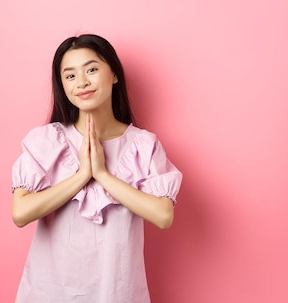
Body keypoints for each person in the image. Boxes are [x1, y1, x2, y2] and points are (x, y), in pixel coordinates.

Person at [11, 34, 182, 303]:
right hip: (49, 293)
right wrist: (82, 176)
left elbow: (163, 215)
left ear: (114, 74)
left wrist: (102, 174)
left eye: (91, 69)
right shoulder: (46, 140)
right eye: (70, 76)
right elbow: (20, 213)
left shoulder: (143, 145)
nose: (82, 82)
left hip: (117, 293)